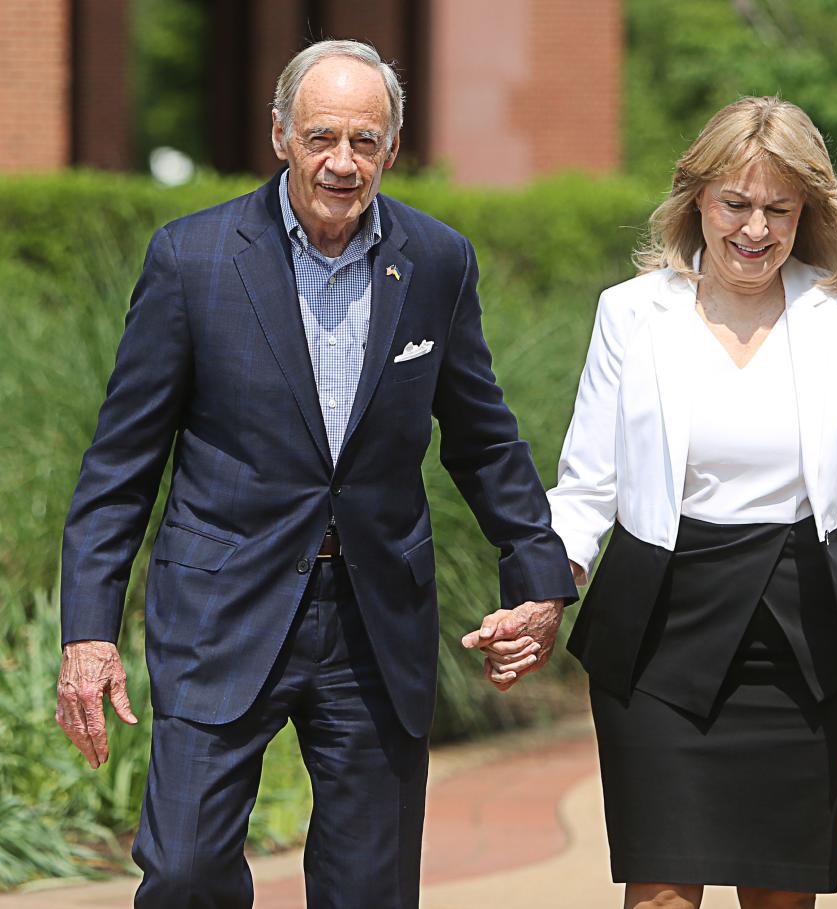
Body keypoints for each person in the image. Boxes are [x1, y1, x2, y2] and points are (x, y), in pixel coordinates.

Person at [55, 39, 576, 909]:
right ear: (280, 137)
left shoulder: (436, 260)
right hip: (221, 608)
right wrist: (89, 632)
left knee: (368, 892)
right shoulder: (193, 260)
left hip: (375, 621)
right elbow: (121, 465)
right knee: (184, 873)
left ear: (393, 148)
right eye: (322, 136)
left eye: (365, 141)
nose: (343, 162)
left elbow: (483, 438)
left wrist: (538, 573)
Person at [470, 96, 837, 909]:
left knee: (780, 896)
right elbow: (588, 486)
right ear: (696, 198)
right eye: (735, 204)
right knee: (663, 891)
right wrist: (540, 596)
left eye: (779, 209)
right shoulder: (631, 313)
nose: (755, 229)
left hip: (801, 633)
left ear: (807, 210)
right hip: (657, 630)